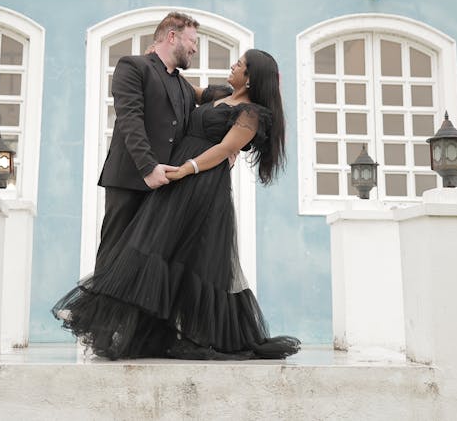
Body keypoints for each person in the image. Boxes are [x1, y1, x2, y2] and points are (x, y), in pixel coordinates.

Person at [54, 49, 301, 360]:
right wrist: (155, 65)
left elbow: (225, 149)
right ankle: (115, 322)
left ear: (250, 77)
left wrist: (188, 168)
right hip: (178, 181)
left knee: (190, 258)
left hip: (203, 186)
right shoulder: (222, 94)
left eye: (239, 64)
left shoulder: (252, 114)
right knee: (147, 247)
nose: (233, 65)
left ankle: (186, 333)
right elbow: (181, 88)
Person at [95, 11, 229, 268]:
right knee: (114, 257)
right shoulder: (133, 66)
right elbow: (130, 119)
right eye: (193, 41)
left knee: (150, 267)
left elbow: (212, 97)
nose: (195, 49)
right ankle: (94, 311)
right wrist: (148, 167)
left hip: (166, 187)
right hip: (130, 181)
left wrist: (249, 87)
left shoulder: (182, 86)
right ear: (172, 36)